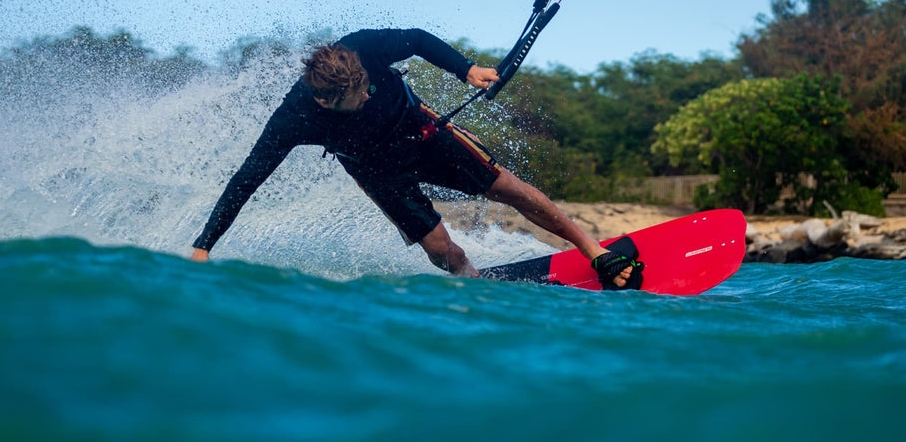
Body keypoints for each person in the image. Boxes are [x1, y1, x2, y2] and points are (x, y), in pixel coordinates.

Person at [189, 28, 634, 288]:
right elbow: (246, 179)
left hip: (421, 131)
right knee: (442, 250)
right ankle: (474, 289)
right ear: (326, 102)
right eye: (358, 95)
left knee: (508, 189)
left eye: (366, 82)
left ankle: (592, 248)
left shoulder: (362, 49)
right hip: (376, 170)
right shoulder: (294, 119)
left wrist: (467, 69)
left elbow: (418, 39)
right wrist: (203, 248)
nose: (368, 91)